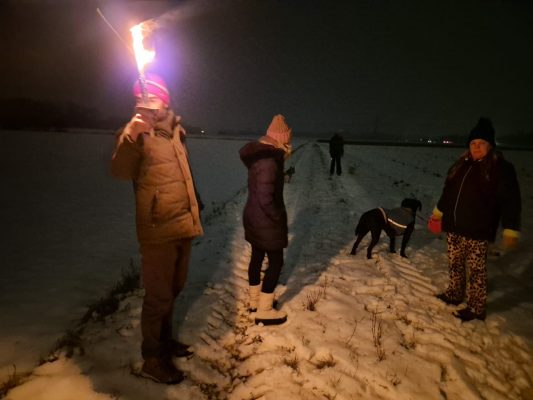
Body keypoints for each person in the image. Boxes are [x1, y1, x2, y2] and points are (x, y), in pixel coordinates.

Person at [111, 73, 203, 383]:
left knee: (173, 289)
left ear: (164, 100)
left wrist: (195, 205)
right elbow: (121, 170)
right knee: (158, 296)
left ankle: (164, 343)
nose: (147, 102)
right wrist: (131, 135)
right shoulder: (136, 133)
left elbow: (183, 176)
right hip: (157, 228)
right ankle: (152, 358)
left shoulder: (175, 132)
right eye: (141, 98)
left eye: (153, 97)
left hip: (182, 223)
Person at [428, 117, 521, 322]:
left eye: (481, 143)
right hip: (454, 227)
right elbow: (448, 193)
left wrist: (511, 229)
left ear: (490, 145)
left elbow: (511, 201)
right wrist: (437, 213)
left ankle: (476, 308)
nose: (476, 147)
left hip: (478, 230)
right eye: (473, 143)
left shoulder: (500, 168)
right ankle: (454, 293)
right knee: (455, 264)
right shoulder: (461, 165)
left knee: (477, 272)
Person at [239, 114, 292, 325]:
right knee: (276, 262)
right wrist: (277, 216)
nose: (289, 143)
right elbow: (265, 196)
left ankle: (255, 302)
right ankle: (265, 310)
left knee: (257, 256)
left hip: (254, 216)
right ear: (280, 138)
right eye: (287, 139)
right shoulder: (270, 161)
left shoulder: (262, 156)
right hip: (266, 219)